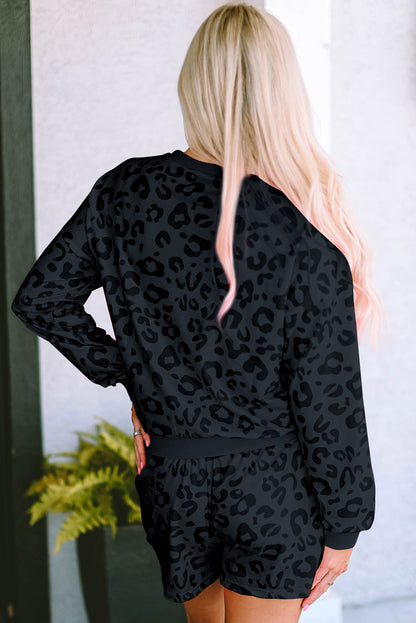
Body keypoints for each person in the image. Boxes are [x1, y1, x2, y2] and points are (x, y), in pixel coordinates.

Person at [10, 3, 385, 623]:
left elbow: (42, 298)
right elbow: (329, 401)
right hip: (273, 492)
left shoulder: (123, 193)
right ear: (281, 94)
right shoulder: (302, 233)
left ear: (194, 83)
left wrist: (133, 375)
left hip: (174, 482)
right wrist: (345, 527)